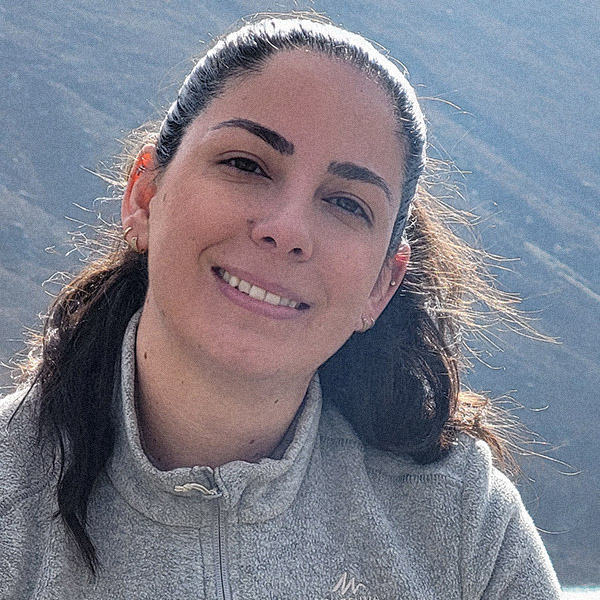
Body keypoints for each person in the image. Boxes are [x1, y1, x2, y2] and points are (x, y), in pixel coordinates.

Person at [0, 13, 561, 599]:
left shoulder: (466, 528)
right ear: (145, 196)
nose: (287, 229)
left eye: (347, 203)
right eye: (246, 164)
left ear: (381, 286)